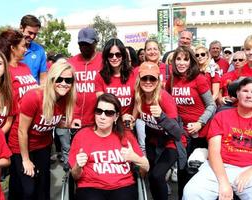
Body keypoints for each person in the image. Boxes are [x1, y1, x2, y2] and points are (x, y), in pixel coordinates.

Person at [183, 77, 252, 200]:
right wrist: (224, 182)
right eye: (245, 91)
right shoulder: (221, 116)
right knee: (191, 193)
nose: (248, 95)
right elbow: (214, 152)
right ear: (237, 93)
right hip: (220, 167)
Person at [8, 61, 76, 200]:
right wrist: (25, 160)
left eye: (68, 80)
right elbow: (22, 131)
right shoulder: (34, 97)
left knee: (42, 188)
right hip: (21, 145)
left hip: (43, 146)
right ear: (52, 79)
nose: (64, 83)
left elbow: (49, 122)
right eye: (59, 79)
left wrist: (67, 124)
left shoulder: (65, 99)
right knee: (28, 190)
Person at [68, 93, 149, 200]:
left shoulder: (126, 136)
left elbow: (146, 166)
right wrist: (78, 166)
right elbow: (75, 176)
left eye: (108, 113)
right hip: (90, 186)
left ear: (116, 116)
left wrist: (135, 158)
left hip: (123, 185)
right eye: (99, 111)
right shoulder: (81, 136)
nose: (102, 116)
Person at [167, 46, 217, 199]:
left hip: (201, 132)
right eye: (178, 59)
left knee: (198, 171)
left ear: (191, 62)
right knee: (183, 169)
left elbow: (212, 105)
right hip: (182, 133)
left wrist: (199, 123)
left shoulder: (199, 79)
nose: (181, 63)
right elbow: (167, 102)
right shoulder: (172, 79)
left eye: (185, 59)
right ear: (174, 61)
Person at [134, 61, 186, 200]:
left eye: (152, 78)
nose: (148, 82)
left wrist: (162, 117)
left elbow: (177, 132)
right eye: (145, 78)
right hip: (153, 142)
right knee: (151, 176)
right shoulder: (139, 98)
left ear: (158, 81)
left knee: (157, 175)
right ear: (139, 80)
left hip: (171, 142)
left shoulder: (164, 98)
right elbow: (131, 119)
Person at [0, 29, 39, 103]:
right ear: (13, 48)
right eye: (23, 46)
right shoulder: (2, 70)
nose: (26, 50)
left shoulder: (25, 67)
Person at [67, 27, 102, 128]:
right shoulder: (71, 62)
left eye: (88, 44)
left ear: (95, 43)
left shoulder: (104, 61)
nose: (84, 47)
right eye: (81, 44)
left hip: (98, 119)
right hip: (75, 120)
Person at [95, 38, 136, 121]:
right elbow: (102, 105)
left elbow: (138, 101)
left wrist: (133, 119)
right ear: (106, 57)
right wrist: (120, 118)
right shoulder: (100, 76)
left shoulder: (133, 74)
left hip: (128, 123)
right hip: (108, 123)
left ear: (123, 55)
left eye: (118, 54)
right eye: (110, 55)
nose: (114, 58)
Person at [20, 14, 47, 85]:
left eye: (35, 34)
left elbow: (43, 78)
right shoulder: (8, 48)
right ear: (21, 28)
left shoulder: (40, 50)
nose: (32, 37)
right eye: (30, 33)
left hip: (34, 94)